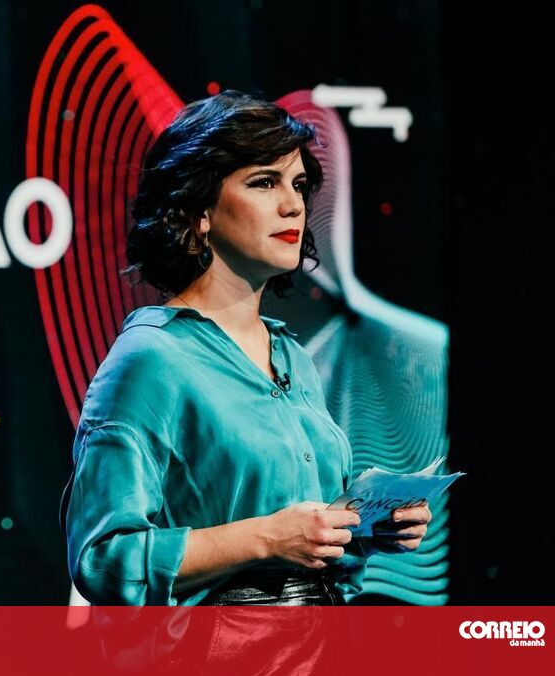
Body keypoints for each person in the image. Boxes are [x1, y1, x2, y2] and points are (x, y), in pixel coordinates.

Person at [59, 90, 432, 611]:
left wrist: (361, 529)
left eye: (298, 185)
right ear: (199, 212)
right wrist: (267, 538)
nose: (293, 205)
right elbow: (103, 559)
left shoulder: (293, 356)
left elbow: (300, 536)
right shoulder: (150, 359)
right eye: (264, 182)